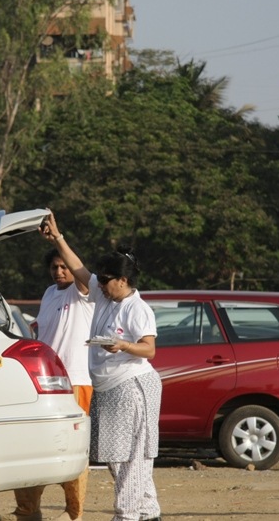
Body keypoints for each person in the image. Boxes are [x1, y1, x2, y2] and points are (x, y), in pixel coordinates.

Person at [40, 212, 162, 521]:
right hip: (108, 387)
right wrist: (58, 238)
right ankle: (148, 512)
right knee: (114, 458)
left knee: (132, 458)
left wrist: (123, 345)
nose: (101, 285)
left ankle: (128, 515)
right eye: (101, 280)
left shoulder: (137, 308)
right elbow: (78, 267)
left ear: (124, 281)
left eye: (106, 281)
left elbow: (149, 349)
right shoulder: (105, 296)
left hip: (133, 386)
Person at [0, 248, 95, 521]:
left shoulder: (83, 291)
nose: (59, 271)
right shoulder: (49, 293)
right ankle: (27, 511)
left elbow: (80, 273)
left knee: (72, 446)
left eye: (64, 266)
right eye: (54, 267)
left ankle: (73, 513)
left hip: (75, 380)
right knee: (33, 443)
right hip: (43, 380)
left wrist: (57, 238)